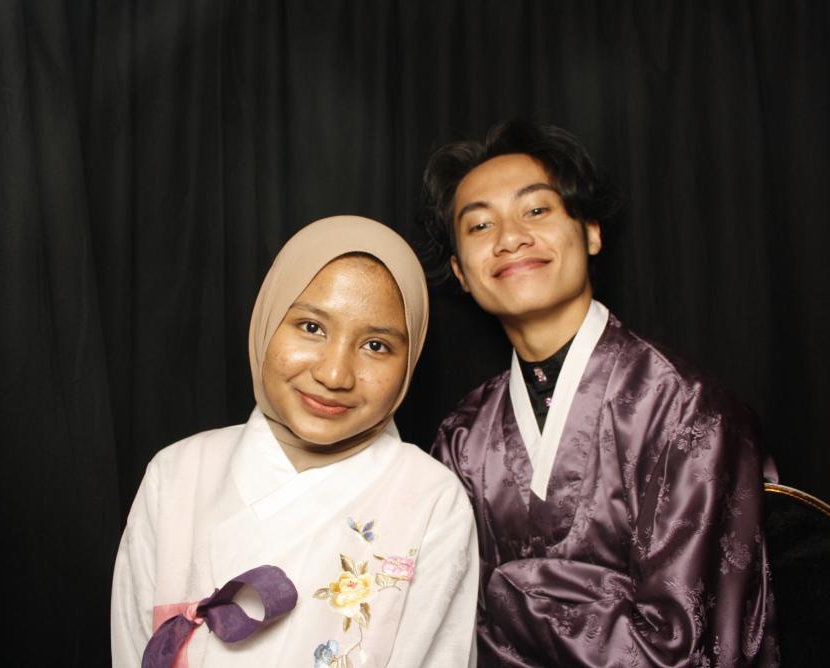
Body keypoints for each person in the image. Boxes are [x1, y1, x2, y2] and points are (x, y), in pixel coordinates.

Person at [419, 121, 779, 667]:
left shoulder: (686, 408)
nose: (510, 238)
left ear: (590, 232)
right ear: (461, 273)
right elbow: (440, 634)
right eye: (480, 225)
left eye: (535, 210)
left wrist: (509, 592)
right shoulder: (463, 437)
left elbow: (683, 647)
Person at [112, 216, 479, 667]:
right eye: (311, 327)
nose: (334, 374)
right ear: (267, 319)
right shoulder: (177, 473)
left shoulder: (432, 499)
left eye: (376, 346)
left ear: (410, 361)